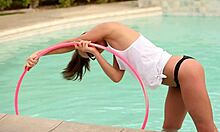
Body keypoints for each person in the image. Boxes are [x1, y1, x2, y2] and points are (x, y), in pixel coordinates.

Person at [25, 22, 217, 132]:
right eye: (90, 52)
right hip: (174, 82)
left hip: (184, 70)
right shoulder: (117, 51)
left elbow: (71, 43)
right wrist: (97, 54)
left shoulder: (110, 28)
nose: (88, 43)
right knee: (169, 128)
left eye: (88, 40)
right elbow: (116, 77)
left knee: (205, 127)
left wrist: (39, 53)